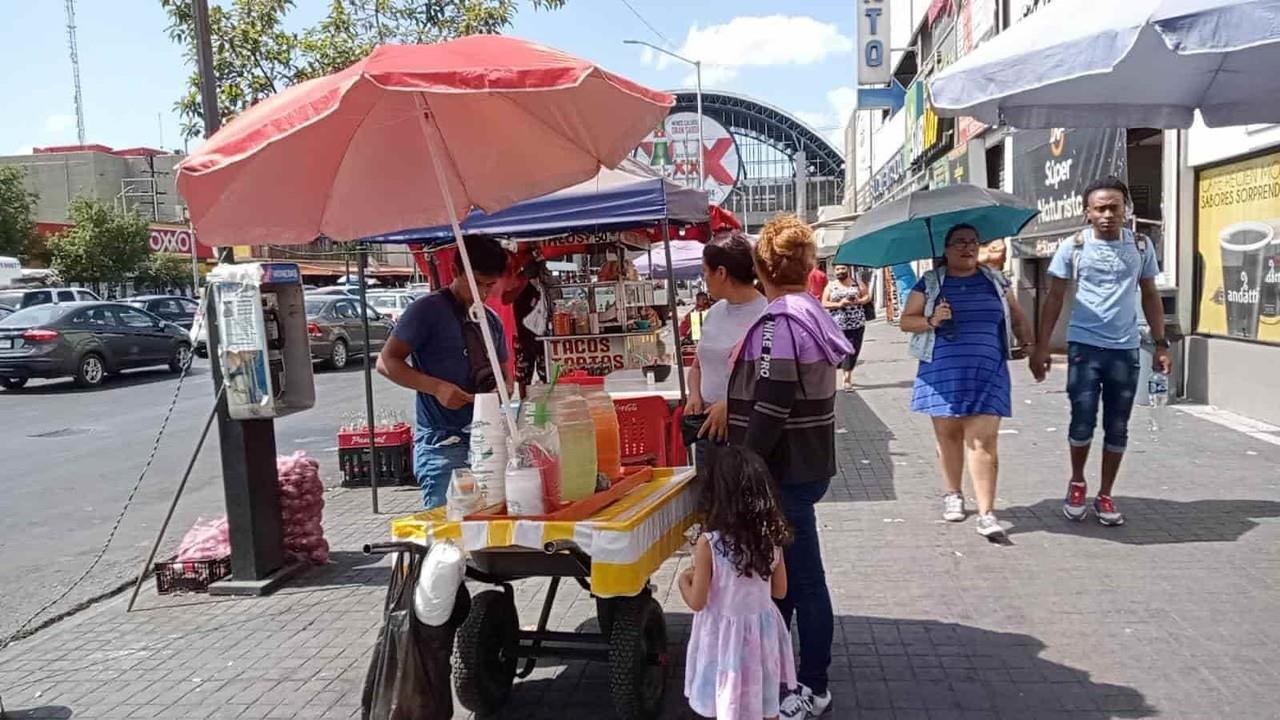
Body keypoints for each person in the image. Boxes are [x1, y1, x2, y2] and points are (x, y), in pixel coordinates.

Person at [726, 215, 850, 719]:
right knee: (789, 579)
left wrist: (743, 463)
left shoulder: (779, 323)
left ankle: (812, 684)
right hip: (808, 464)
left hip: (783, 471)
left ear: (762, 268)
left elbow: (773, 403)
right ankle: (785, 674)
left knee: (802, 580)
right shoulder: (812, 312)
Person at [1029, 176, 1171, 527]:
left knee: (1118, 426)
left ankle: (1105, 493)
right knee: (1082, 419)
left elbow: (1150, 295)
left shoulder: (1140, 246)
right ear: (1087, 212)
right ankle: (1077, 481)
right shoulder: (1073, 247)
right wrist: (1041, 346)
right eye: (1100, 208)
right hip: (1084, 348)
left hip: (1124, 350)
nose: (1107, 214)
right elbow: (1055, 297)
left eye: (1114, 207)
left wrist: (1161, 343)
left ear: (1126, 209)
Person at [900, 224, 1033, 538]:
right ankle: (953, 493)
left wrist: (1029, 344)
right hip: (942, 372)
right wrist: (932, 320)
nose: (967, 247)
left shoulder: (996, 281)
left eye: (973, 241)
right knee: (948, 437)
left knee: (983, 441)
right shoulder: (931, 283)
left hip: (989, 372)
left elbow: (1016, 315)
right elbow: (907, 321)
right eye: (959, 242)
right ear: (945, 250)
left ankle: (987, 512)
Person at [377, 236, 512, 509]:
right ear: (456, 272)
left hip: (487, 440)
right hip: (443, 444)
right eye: (476, 284)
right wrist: (436, 388)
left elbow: (506, 374)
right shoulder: (426, 311)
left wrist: (503, 391)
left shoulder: (490, 321)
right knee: (449, 536)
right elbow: (386, 362)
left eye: (489, 286)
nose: (482, 294)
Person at [681, 446, 796, 720]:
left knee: (723, 699)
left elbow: (697, 602)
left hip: (722, 638)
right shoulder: (770, 536)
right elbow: (780, 591)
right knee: (765, 702)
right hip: (761, 634)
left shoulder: (709, 544)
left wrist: (684, 581)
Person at [685, 232, 767, 463]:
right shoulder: (714, 312)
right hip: (706, 428)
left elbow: (772, 384)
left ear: (721, 273)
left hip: (742, 431)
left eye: (705, 272)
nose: (704, 278)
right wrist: (694, 394)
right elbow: (697, 366)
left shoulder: (767, 315)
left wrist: (732, 406)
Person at [821, 264, 871, 391]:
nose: (840, 271)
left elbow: (867, 297)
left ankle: (847, 379)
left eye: (843, 268)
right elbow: (824, 303)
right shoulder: (831, 286)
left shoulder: (856, 283)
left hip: (857, 323)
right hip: (837, 325)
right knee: (836, 350)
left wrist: (859, 301)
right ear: (834, 271)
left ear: (847, 269)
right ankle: (833, 377)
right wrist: (839, 304)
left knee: (852, 350)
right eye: (838, 269)